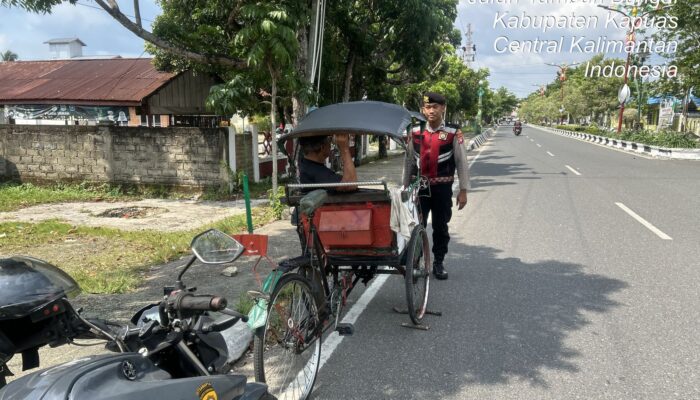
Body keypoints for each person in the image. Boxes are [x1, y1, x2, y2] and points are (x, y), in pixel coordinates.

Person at [403, 92, 469, 280]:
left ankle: (438, 262)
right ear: (423, 109)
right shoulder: (414, 131)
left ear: (443, 108)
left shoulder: (453, 132)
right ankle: (416, 263)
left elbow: (461, 162)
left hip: (442, 190)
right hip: (419, 189)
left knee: (440, 227)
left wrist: (463, 190)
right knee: (417, 226)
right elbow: (408, 162)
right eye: (427, 107)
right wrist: (405, 188)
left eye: (435, 107)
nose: (431, 111)